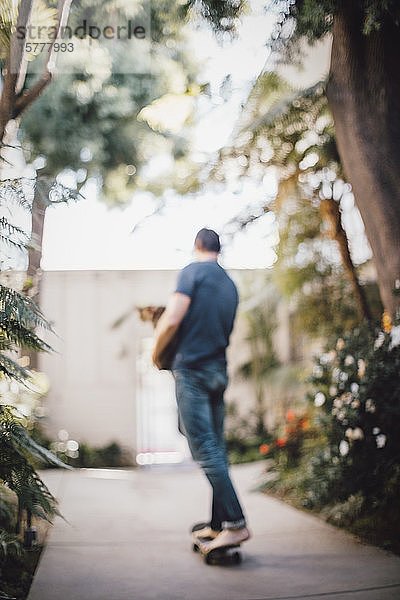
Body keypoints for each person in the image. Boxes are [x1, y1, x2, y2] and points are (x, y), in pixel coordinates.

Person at [152, 228, 250, 552]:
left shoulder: (191, 272)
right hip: (218, 371)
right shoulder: (230, 285)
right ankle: (218, 524)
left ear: (197, 246)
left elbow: (172, 318)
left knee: (204, 448)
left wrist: (156, 351)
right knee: (215, 448)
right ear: (218, 249)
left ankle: (236, 525)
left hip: (191, 371)